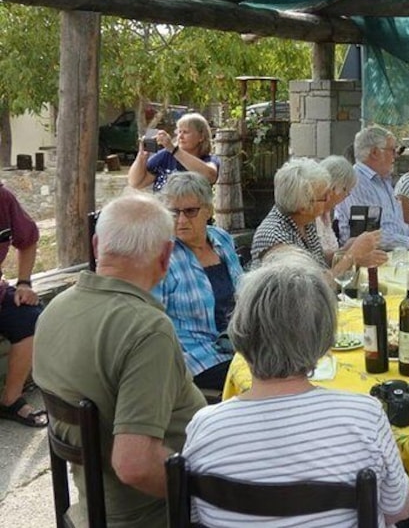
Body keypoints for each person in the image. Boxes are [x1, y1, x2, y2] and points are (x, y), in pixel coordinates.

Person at [181, 251, 409, 527]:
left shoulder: (205, 427)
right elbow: (399, 510)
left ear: (240, 331)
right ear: (324, 338)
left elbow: (198, 516)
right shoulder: (364, 416)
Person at [33, 194, 205, 527]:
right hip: (151, 514)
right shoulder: (147, 330)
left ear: (97, 245)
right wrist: (206, 491)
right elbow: (135, 465)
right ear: (166, 255)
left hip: (92, 504)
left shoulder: (54, 310)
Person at [153, 173, 242, 391]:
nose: (181, 220)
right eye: (174, 212)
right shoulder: (162, 257)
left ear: (208, 210)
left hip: (239, 342)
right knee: (266, 375)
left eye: (190, 211)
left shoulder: (221, 239)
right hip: (197, 357)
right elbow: (152, 322)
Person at [252, 157, 385, 277]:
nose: (329, 198)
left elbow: (318, 262)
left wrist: (345, 250)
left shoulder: (304, 221)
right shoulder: (276, 238)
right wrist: (352, 256)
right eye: (323, 196)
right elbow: (312, 287)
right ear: (303, 206)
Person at [0, 184, 45, 428]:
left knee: (32, 317)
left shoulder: (3, 198)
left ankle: (11, 399)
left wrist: (24, 282)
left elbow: (27, 238)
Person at [335, 126, 409, 251]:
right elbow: (370, 236)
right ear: (375, 152)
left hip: (394, 254)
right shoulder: (356, 181)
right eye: (392, 150)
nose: (395, 156)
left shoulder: (383, 180)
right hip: (369, 262)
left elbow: (398, 226)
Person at [128, 112, 219, 192]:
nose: (180, 136)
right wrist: (141, 158)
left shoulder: (208, 160)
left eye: (185, 132)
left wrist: (173, 149)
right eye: (179, 132)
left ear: (201, 137)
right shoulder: (165, 155)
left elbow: (210, 176)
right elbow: (136, 183)